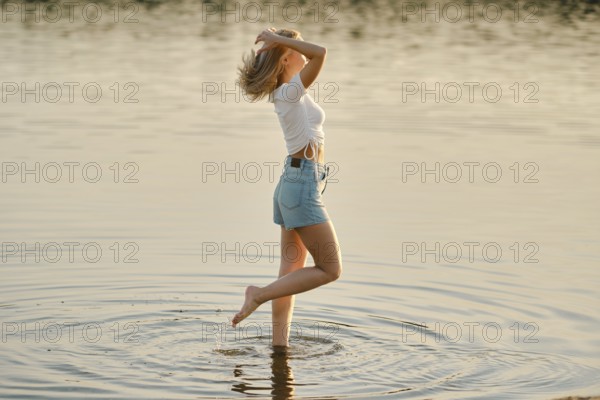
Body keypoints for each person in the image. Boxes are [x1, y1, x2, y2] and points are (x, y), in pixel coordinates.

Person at [232, 27, 342, 347]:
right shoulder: (290, 91)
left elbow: (311, 53)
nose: (302, 51)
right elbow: (320, 51)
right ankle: (258, 295)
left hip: (294, 184)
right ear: (284, 60)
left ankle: (280, 347)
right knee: (330, 269)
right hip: (300, 186)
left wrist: (284, 43)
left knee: (290, 273)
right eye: (295, 47)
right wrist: (280, 41)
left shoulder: (291, 92)